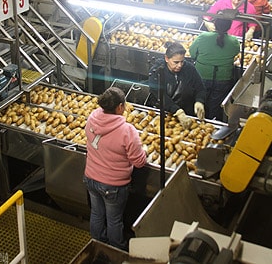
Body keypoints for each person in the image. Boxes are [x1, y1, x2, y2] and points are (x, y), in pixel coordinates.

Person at [84, 86, 146, 251]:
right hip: (113, 186)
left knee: (96, 214)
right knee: (114, 220)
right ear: (120, 107)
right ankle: (116, 251)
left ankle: (97, 245)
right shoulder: (127, 130)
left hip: (90, 178)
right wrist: (143, 151)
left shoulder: (92, 118)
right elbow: (139, 162)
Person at [189, 16, 240, 121]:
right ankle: (211, 124)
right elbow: (235, 53)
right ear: (229, 26)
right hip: (223, 78)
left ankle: (197, 124)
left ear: (215, 24)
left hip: (201, 76)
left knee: (198, 102)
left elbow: (192, 53)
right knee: (215, 107)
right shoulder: (234, 41)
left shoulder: (203, 37)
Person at [148, 41, 206, 128]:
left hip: (186, 114)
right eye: (176, 62)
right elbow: (160, 95)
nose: (180, 65)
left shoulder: (189, 69)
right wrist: (177, 111)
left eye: (182, 61)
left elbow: (200, 88)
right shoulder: (157, 71)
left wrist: (199, 101)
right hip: (164, 113)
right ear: (167, 59)